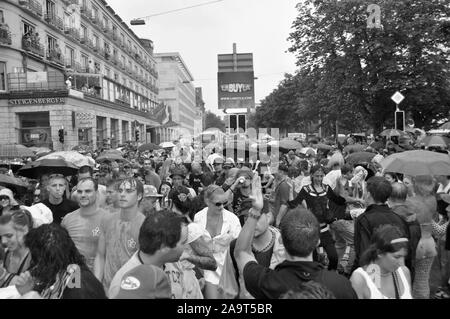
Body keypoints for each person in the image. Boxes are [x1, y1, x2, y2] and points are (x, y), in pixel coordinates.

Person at [234, 204, 357, 299]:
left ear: (281, 240)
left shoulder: (268, 282)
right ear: (317, 242)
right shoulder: (341, 285)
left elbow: (241, 252)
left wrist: (255, 211)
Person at [218, 182, 285, 299]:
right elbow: (227, 289)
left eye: (256, 217)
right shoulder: (236, 246)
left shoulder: (285, 244)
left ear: (268, 217)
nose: (252, 223)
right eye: (246, 218)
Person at [108, 210, 188, 298]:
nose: (186, 247)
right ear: (164, 247)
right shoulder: (124, 284)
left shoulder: (173, 262)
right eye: (183, 243)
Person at [22, 223, 107, 299]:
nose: (33, 263)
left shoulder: (78, 284)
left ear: (43, 260)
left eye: (34, 257)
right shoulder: (57, 275)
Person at [288, 164, 347, 270]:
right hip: (312, 230)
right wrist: (290, 191)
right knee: (313, 262)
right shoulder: (306, 189)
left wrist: (340, 185)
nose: (319, 178)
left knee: (333, 257)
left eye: (321, 176)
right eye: (317, 176)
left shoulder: (326, 188)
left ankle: (331, 275)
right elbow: (294, 204)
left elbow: (339, 201)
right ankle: (316, 279)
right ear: (311, 175)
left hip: (325, 230)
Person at [93, 178, 146, 291]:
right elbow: (100, 255)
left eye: (128, 191)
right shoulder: (107, 219)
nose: (122, 194)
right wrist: (96, 286)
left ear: (139, 196)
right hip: (106, 289)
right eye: (120, 190)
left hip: (132, 291)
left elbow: (147, 264)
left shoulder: (145, 225)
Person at [353, 176, 411, 272]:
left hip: (375, 275)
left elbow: (364, 255)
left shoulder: (364, 220)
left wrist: (375, 283)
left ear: (368, 194)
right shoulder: (399, 218)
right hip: (396, 272)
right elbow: (406, 252)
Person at [194, 184, 241, 299]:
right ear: (207, 201)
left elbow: (239, 247)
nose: (221, 207)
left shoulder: (232, 219)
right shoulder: (198, 217)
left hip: (227, 267)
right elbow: (195, 244)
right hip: (207, 266)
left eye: (224, 203)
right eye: (217, 204)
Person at [350, 224, 412, 299]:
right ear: (379, 253)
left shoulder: (404, 272)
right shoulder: (360, 279)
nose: (401, 263)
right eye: (397, 257)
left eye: (403, 256)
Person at [61, 178, 107, 272]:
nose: (83, 195)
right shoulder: (67, 219)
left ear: (97, 193)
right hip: (73, 277)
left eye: (88, 191)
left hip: (98, 278)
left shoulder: (108, 219)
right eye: (80, 191)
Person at [407, 175, 438, 299]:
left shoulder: (410, 201)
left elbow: (408, 220)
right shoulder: (433, 200)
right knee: (423, 279)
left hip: (416, 241)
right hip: (429, 240)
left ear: (417, 184)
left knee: (409, 278)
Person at [388, 182, 421, 278]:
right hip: (411, 258)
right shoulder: (413, 213)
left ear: (389, 196)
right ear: (406, 196)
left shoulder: (391, 216)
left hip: (394, 260)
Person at [0, 209, 33, 288]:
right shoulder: (6, 251)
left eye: (9, 236)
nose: (3, 241)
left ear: (25, 230)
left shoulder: (35, 259)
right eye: (1, 236)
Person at [271, 163, 291, 227]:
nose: (274, 173)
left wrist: (278, 220)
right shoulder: (281, 183)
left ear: (281, 172)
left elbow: (284, 205)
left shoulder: (284, 185)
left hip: (282, 219)